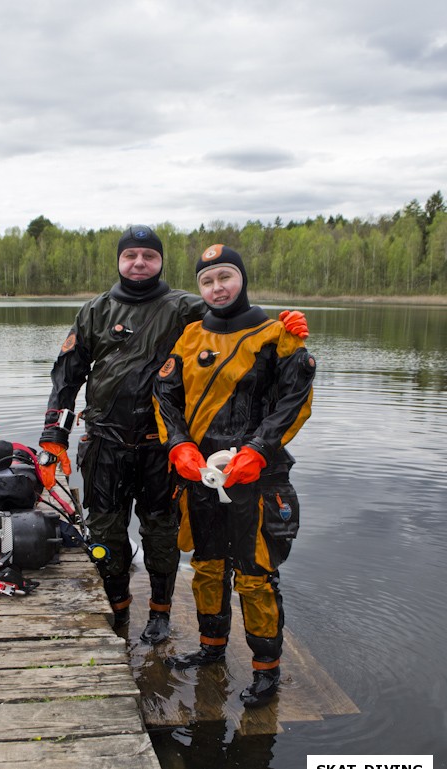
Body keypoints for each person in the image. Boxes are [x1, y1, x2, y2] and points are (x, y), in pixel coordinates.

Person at [38, 226, 309, 647]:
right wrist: (54, 434)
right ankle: (117, 604)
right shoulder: (94, 311)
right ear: (119, 261)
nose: (139, 262)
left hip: (160, 447)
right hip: (103, 443)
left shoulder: (187, 307)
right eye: (131, 256)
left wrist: (283, 325)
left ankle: (161, 613)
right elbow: (67, 374)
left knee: (161, 531)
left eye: (149, 255)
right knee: (105, 529)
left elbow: (234, 313)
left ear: (161, 260)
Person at [152, 243, 315, 708]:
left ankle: (266, 670)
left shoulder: (275, 335)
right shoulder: (187, 338)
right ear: (199, 287)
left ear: (241, 278)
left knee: (255, 575)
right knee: (206, 566)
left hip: (256, 478)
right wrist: (179, 444)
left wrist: (259, 450)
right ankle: (211, 648)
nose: (217, 287)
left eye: (225, 276)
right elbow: (165, 397)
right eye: (207, 281)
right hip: (202, 475)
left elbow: (294, 399)